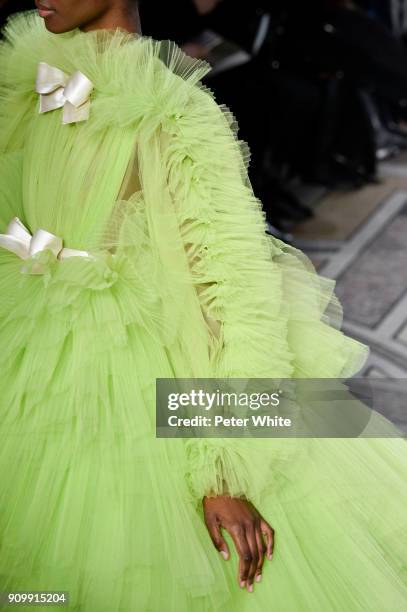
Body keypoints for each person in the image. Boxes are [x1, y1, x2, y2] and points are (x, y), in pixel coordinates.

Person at [0, 2, 407, 611]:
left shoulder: (175, 110)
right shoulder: (29, 71)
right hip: (28, 343)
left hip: (138, 363)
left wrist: (225, 471)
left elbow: (231, 289)